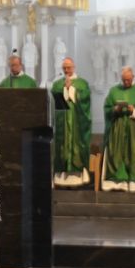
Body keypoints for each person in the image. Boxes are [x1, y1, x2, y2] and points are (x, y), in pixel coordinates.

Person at [101, 66, 135, 191]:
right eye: (124, 80)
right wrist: (115, 109)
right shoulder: (114, 91)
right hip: (117, 130)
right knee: (115, 154)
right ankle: (118, 185)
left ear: (133, 78)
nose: (126, 82)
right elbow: (107, 109)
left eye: (128, 80)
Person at [50, 57, 92, 188]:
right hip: (62, 122)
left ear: (74, 67)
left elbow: (85, 99)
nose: (66, 70)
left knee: (77, 146)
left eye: (68, 67)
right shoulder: (57, 84)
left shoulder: (82, 83)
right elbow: (56, 97)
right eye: (64, 68)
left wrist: (71, 89)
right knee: (62, 146)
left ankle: (77, 178)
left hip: (77, 123)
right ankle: (61, 178)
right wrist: (64, 88)